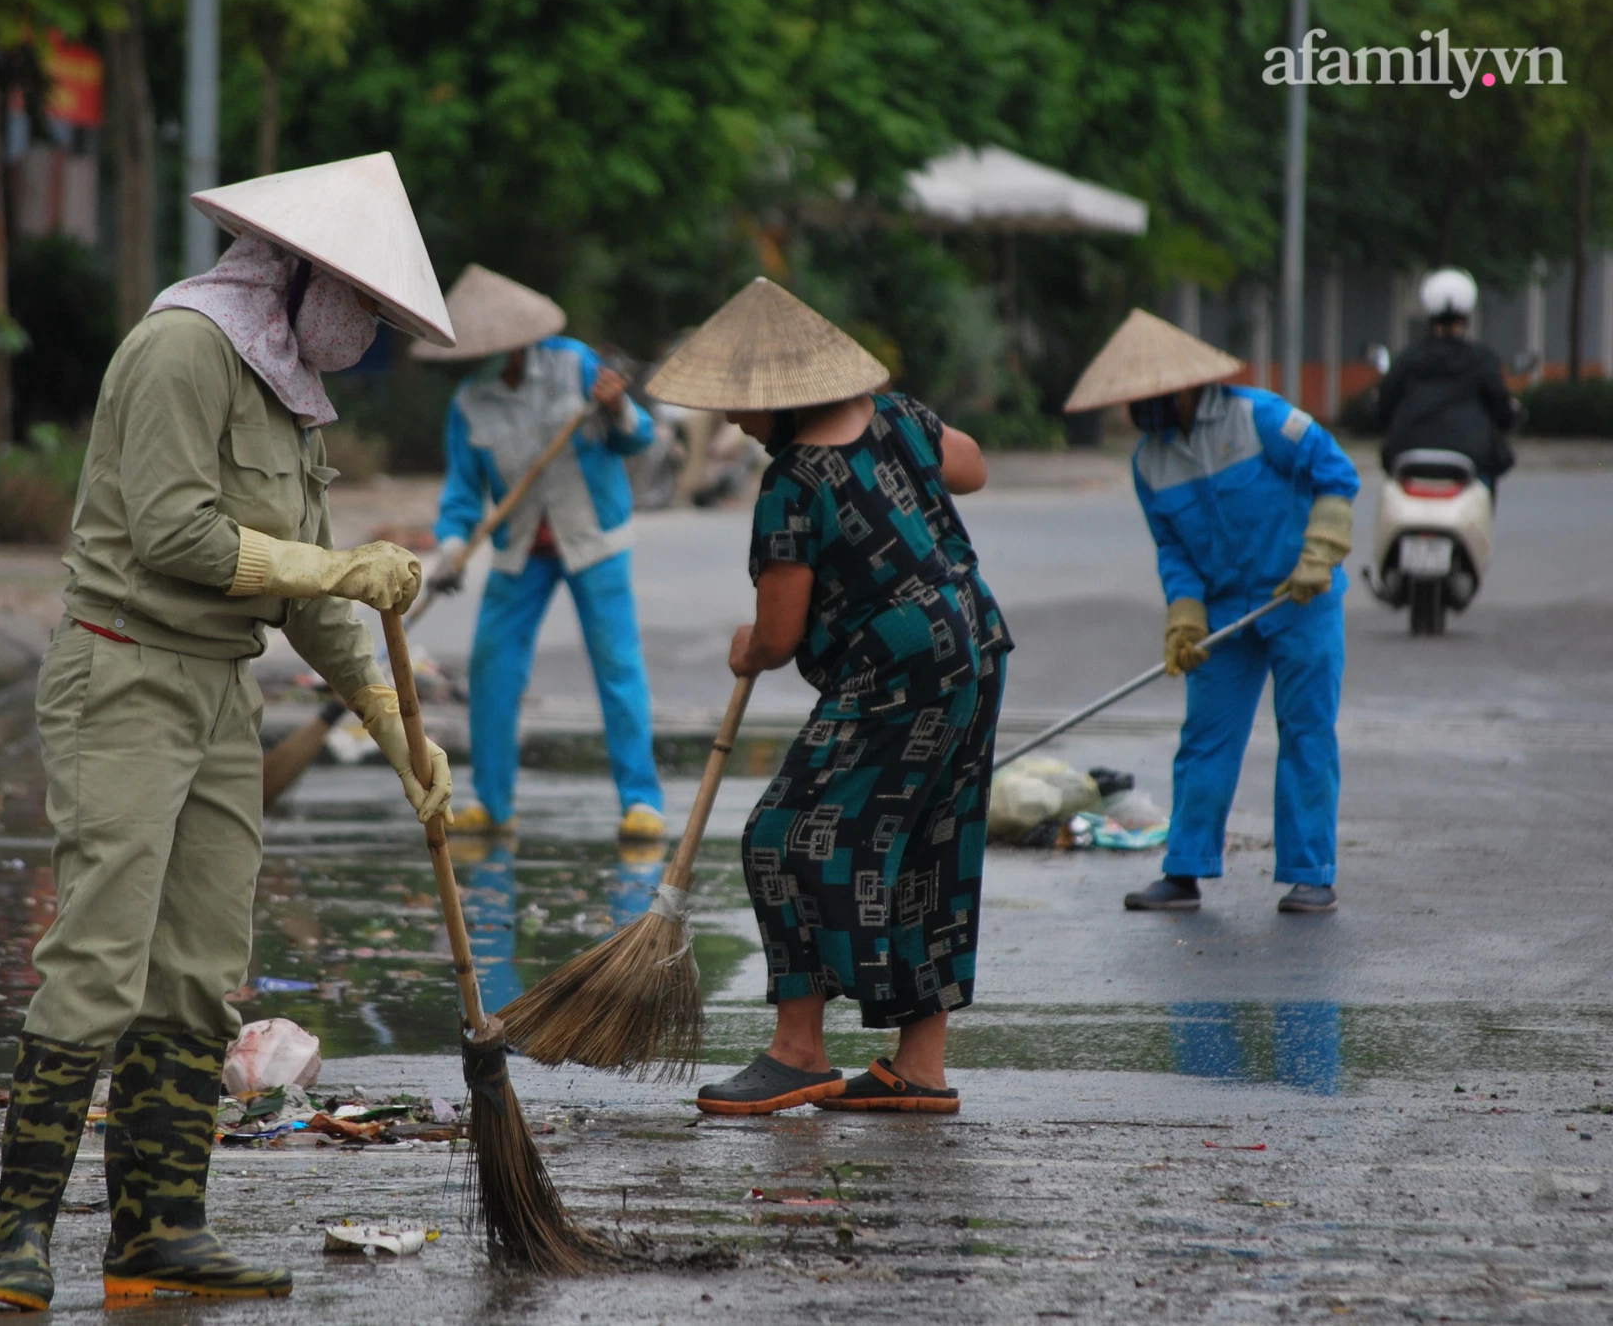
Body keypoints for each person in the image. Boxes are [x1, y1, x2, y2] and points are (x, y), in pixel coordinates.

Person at [0, 153, 457, 1312]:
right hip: (126, 673)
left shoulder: (288, 390)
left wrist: (398, 730)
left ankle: (158, 1233)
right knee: (97, 959)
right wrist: (343, 564)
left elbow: (308, 599)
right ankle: (15, 1235)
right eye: (365, 307)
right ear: (298, 275)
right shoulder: (181, 349)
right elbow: (177, 538)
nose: (369, 334)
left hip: (221, 692)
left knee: (197, 973)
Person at [646, 278, 1011, 1116]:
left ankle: (799, 1049)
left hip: (898, 666)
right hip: (975, 643)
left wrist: (750, 647)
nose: (736, 425)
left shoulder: (793, 484)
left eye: (743, 409)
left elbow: (777, 636)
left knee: (782, 835)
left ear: (782, 404)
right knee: (930, 844)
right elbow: (976, 465)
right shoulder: (901, 419)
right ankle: (919, 1066)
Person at [1063, 308, 1360, 916]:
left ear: (1181, 386)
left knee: (1304, 731)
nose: (1133, 409)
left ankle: (1310, 873)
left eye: (1143, 396)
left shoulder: (1262, 417)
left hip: (1301, 598)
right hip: (1227, 612)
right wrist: (1185, 616)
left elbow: (1336, 473)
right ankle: (1185, 870)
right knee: (1204, 739)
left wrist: (1320, 553)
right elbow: (1173, 549)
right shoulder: (1149, 462)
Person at [414, 265, 666, 841]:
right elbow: (460, 493)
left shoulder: (574, 365)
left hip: (592, 538)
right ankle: (493, 803)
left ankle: (641, 802)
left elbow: (639, 436)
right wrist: (451, 550)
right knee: (492, 667)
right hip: (518, 546)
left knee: (617, 664)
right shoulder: (470, 402)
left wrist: (616, 408)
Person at [1378, 267, 1517, 492]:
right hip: (1472, 457)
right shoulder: (1482, 359)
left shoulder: (1407, 358)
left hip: (1406, 456)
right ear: (1467, 313)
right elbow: (1501, 409)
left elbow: (1384, 407)